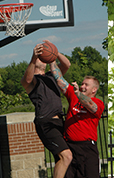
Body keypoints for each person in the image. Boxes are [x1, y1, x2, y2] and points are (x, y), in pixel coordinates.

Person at [21, 41, 72, 178]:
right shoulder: (33, 81)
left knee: (64, 160)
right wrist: (33, 57)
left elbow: (67, 64)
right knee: (66, 156)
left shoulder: (52, 76)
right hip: (46, 123)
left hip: (59, 121)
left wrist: (55, 52)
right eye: (39, 56)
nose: (41, 56)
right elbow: (26, 79)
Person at [50, 61, 105, 177]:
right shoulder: (73, 95)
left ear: (94, 90)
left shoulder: (98, 103)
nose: (82, 86)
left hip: (87, 148)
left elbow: (91, 106)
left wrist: (78, 94)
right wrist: (52, 60)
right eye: (82, 84)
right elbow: (59, 79)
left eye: (86, 85)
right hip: (70, 147)